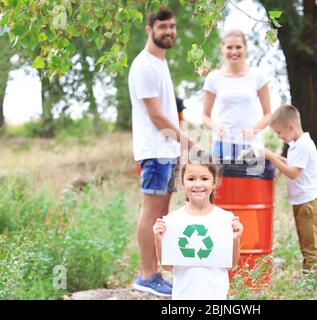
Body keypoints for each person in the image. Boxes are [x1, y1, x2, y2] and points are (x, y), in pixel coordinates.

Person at [128, 7, 193, 297]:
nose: (169, 32)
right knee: (151, 211)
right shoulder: (143, 65)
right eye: (163, 27)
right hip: (154, 153)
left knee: (162, 214)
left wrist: (177, 148)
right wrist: (187, 141)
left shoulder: (160, 62)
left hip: (166, 151)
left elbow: (167, 110)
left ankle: (155, 271)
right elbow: (155, 116)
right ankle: (146, 275)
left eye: (172, 27)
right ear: (149, 29)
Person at [153, 158, 244, 300]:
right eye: (191, 179)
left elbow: (231, 263)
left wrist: (235, 239)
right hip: (183, 295)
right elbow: (167, 266)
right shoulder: (174, 221)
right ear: (182, 183)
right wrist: (158, 239)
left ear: (214, 183)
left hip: (216, 296)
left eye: (204, 178)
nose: (198, 184)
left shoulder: (225, 219)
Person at [263, 105, 317, 272]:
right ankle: (309, 279)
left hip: (309, 204)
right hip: (301, 203)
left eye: (279, 132)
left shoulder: (304, 145)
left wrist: (270, 157)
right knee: (304, 243)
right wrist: (273, 155)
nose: (278, 136)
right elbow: (290, 163)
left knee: (310, 247)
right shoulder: (296, 144)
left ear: (291, 127)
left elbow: (293, 173)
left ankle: (311, 284)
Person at [202, 29, 271, 160]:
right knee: (220, 181)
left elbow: (268, 114)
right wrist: (215, 127)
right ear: (222, 48)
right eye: (229, 47)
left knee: (249, 181)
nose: (234, 52)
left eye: (238, 47)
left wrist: (254, 129)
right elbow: (205, 116)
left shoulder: (258, 77)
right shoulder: (213, 78)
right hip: (222, 144)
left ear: (245, 48)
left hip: (250, 145)